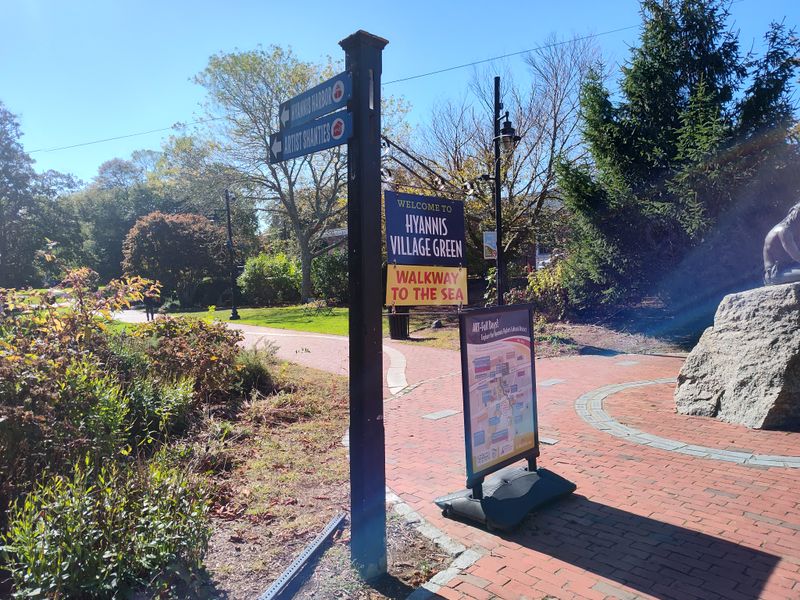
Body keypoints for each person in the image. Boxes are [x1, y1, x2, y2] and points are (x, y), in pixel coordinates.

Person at [763, 202, 800, 285]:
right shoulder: (784, 231)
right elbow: (796, 256)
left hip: (790, 268)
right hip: (775, 273)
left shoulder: (796, 230)